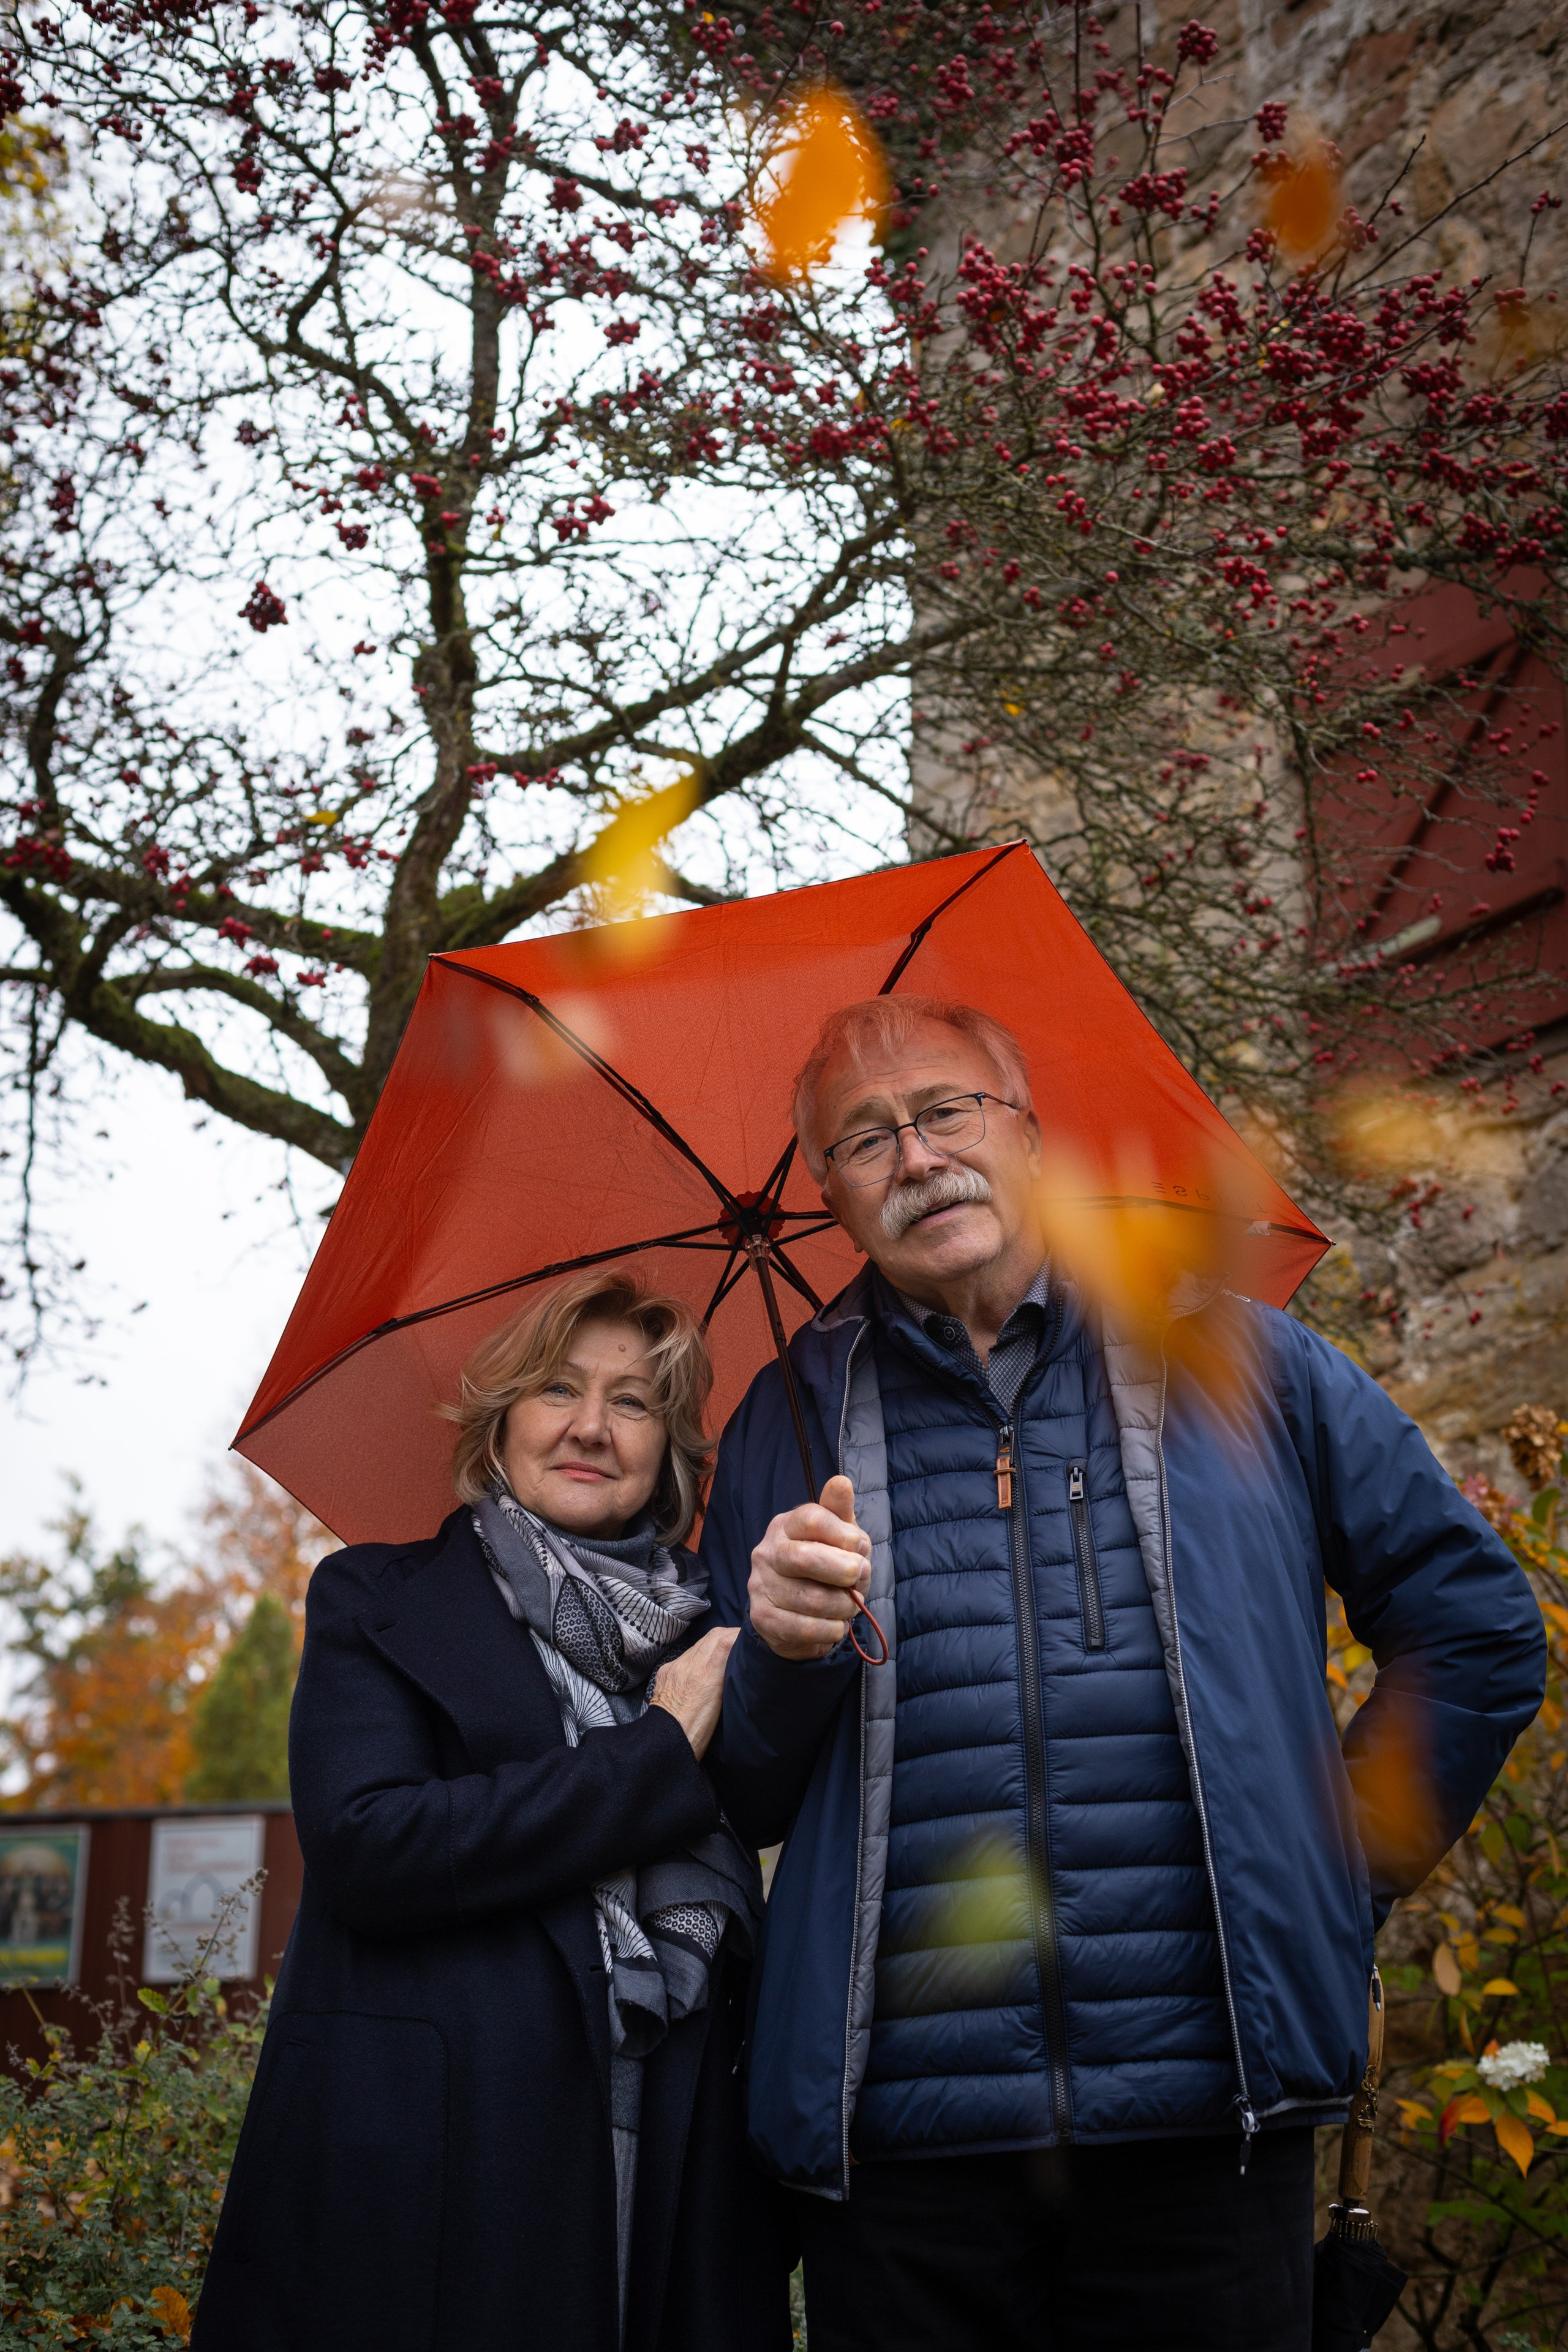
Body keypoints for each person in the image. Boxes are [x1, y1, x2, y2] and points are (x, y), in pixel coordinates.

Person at [701, 993, 1545, 2352]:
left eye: (943, 1112)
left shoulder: (1239, 1360)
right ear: (829, 1195)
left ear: (1026, 1136)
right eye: (864, 1141)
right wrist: (780, 1663)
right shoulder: (781, 1423)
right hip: (902, 2139)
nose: (915, 1158)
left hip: (1209, 2118)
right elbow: (735, 1793)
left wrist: (1339, 1863)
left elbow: (1475, 1629)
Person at [194, 1270, 789, 2352]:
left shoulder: (720, 1635)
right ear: (503, 1414)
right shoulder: (378, 1601)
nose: (592, 1428)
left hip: (670, 2156)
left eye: (635, 1402)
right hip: (442, 2164)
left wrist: (800, 1651)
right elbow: (373, 1848)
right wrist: (654, 1752)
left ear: (671, 1447)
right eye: (559, 1388)